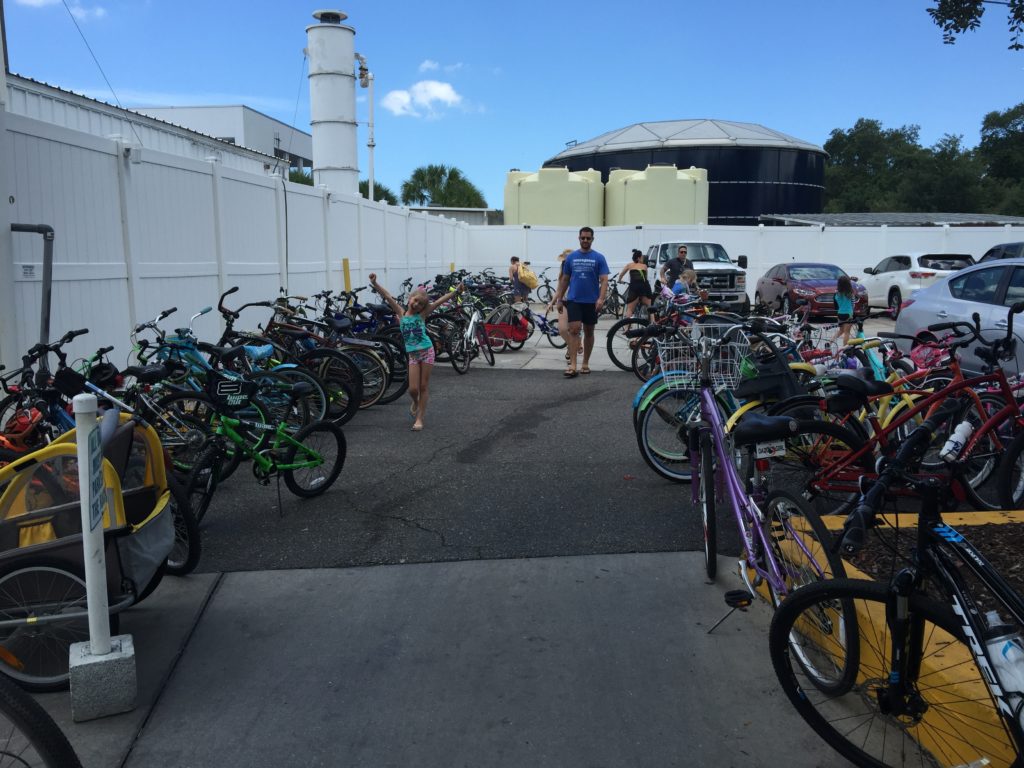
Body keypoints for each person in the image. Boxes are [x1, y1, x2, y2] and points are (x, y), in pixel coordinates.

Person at [368, 273, 463, 431]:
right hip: (413, 356)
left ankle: (419, 418)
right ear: (410, 299)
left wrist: (456, 292)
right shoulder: (401, 313)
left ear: (423, 308)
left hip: (427, 352)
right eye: (415, 300)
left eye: (420, 304)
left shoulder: (422, 315)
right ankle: (415, 401)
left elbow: (440, 301)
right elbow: (386, 296)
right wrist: (375, 283)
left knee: (423, 386)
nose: (416, 304)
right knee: (413, 389)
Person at [550, 226, 609, 377]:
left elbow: (604, 280)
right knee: (574, 330)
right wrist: (560, 300)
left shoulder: (599, 258)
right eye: (583, 238)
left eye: (588, 238)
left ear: (592, 239)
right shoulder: (571, 258)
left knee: (589, 332)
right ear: (579, 238)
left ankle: (585, 363)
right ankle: (573, 365)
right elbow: (565, 279)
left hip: (591, 302)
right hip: (574, 300)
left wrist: (601, 299)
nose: (585, 240)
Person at [617, 249, 654, 318]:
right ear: (638, 258)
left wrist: (619, 280)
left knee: (630, 309)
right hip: (644, 287)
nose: (643, 259)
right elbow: (645, 278)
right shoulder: (644, 266)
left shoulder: (629, 265)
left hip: (634, 287)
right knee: (650, 306)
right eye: (642, 257)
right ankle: (653, 323)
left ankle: (627, 326)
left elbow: (621, 275)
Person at [835, 274, 855, 346]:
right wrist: (852, 312)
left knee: (841, 330)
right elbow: (853, 304)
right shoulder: (850, 293)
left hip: (840, 313)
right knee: (847, 333)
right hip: (848, 314)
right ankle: (845, 349)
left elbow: (838, 303)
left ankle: (830, 342)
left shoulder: (837, 294)